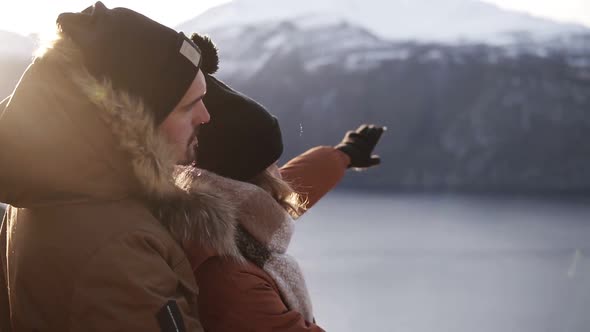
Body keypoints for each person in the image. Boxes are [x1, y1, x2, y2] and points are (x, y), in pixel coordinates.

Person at [0, 2, 217, 331]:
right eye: (188, 107)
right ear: (136, 122)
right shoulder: (117, 253)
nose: (206, 117)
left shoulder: (53, 191)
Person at [170, 34, 385, 331]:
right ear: (248, 176)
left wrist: (342, 155)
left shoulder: (206, 210)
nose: (278, 172)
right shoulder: (231, 279)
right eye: (270, 163)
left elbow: (284, 192)